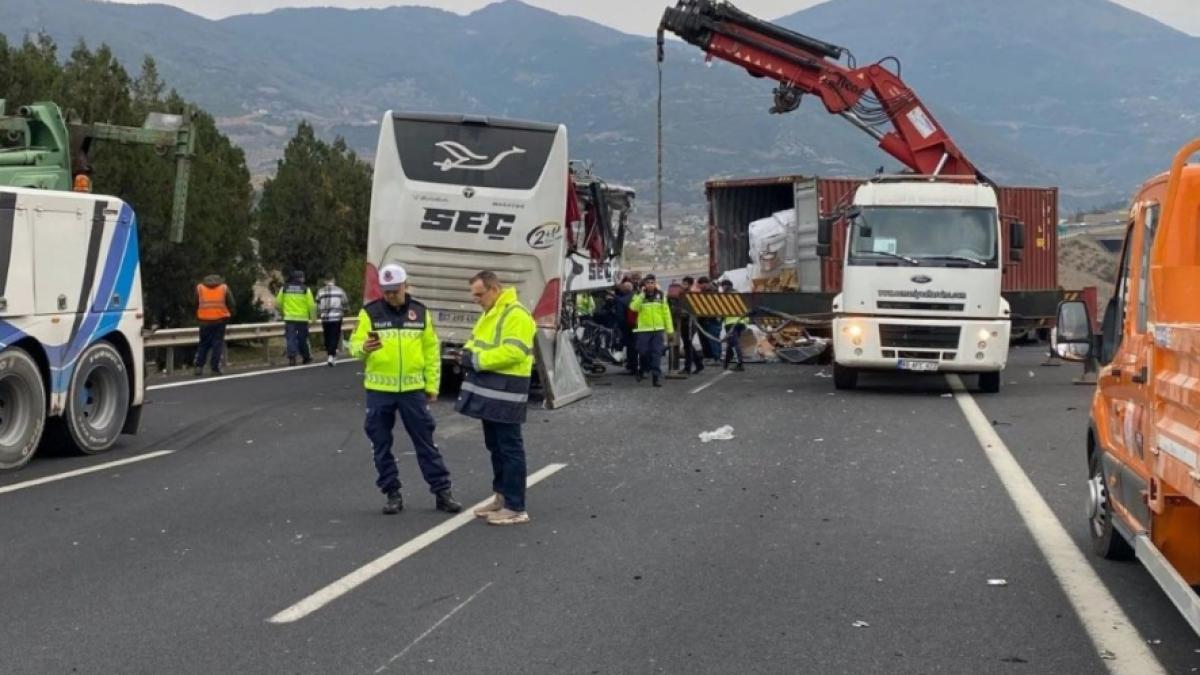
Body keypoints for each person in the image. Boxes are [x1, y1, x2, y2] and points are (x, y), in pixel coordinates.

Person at [349, 264, 462, 516]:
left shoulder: (420, 312)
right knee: (380, 443)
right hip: (379, 389)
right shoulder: (370, 313)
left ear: (406, 286)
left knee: (426, 442)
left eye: (395, 290)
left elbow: (431, 352)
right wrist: (363, 348)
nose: (390, 295)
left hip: (412, 390)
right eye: (386, 291)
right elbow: (354, 346)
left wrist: (432, 385)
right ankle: (392, 493)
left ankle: (442, 492)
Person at [457, 270, 536, 526]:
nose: (476, 299)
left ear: (494, 289)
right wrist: (467, 354)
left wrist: (477, 360)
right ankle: (501, 497)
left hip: (508, 389)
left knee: (509, 447)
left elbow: (515, 351)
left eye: (479, 294)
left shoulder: (516, 314)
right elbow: (473, 341)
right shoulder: (490, 313)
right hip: (491, 389)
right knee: (495, 446)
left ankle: (515, 506)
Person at [630, 274, 674, 387]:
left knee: (656, 354)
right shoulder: (639, 295)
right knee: (643, 351)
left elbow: (666, 313)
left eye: (652, 282)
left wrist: (670, 330)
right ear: (644, 284)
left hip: (658, 329)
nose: (650, 285)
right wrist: (641, 296)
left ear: (655, 283)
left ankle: (655, 377)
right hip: (644, 329)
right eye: (648, 283)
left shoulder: (661, 295)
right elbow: (633, 307)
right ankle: (643, 369)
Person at [194, 273, 235, 376]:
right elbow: (231, 303)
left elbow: (195, 303)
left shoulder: (200, 288)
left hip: (204, 320)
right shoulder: (223, 288)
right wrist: (229, 314)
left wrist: (198, 315)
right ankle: (214, 368)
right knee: (217, 345)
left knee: (203, 344)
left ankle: (199, 366)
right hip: (220, 320)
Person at [276, 270, 317, 366]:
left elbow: (278, 303)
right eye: (303, 277)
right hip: (302, 319)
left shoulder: (284, 288)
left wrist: (283, 313)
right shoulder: (305, 289)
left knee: (291, 338)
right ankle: (306, 357)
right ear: (300, 278)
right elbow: (311, 305)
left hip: (289, 318)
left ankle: (292, 358)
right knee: (302, 339)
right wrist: (313, 318)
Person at [317, 275, 351, 366]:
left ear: (325, 281)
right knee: (334, 336)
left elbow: (317, 304)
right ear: (333, 280)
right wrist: (346, 310)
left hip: (325, 318)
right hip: (336, 317)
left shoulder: (320, 291)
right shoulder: (340, 290)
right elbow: (345, 302)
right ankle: (331, 356)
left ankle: (330, 354)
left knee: (327, 336)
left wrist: (319, 313)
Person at [720, 279, 748, 371]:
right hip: (740, 322)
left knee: (734, 343)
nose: (722, 288)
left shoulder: (727, 296)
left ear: (725, 286)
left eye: (722, 286)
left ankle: (740, 364)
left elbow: (722, 309)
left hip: (731, 322)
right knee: (731, 343)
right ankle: (726, 363)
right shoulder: (739, 294)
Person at [679, 276, 704, 375]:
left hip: (689, 322)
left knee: (688, 345)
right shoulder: (683, 294)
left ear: (689, 284)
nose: (682, 285)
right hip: (685, 322)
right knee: (687, 344)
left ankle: (687, 367)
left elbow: (692, 310)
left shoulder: (691, 295)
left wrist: (682, 313)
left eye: (684, 283)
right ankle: (698, 364)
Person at [614, 279, 638, 375]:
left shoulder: (621, 300)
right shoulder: (638, 297)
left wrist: (621, 327)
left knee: (630, 347)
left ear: (624, 289)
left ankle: (632, 367)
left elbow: (620, 317)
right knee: (638, 346)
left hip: (628, 327)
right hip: (640, 325)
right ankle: (643, 367)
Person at [696, 276, 722, 362]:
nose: (699, 287)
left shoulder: (712, 292)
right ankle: (710, 357)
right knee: (708, 339)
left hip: (711, 319)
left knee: (713, 339)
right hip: (705, 319)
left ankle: (715, 357)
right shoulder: (708, 291)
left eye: (699, 285)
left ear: (704, 284)